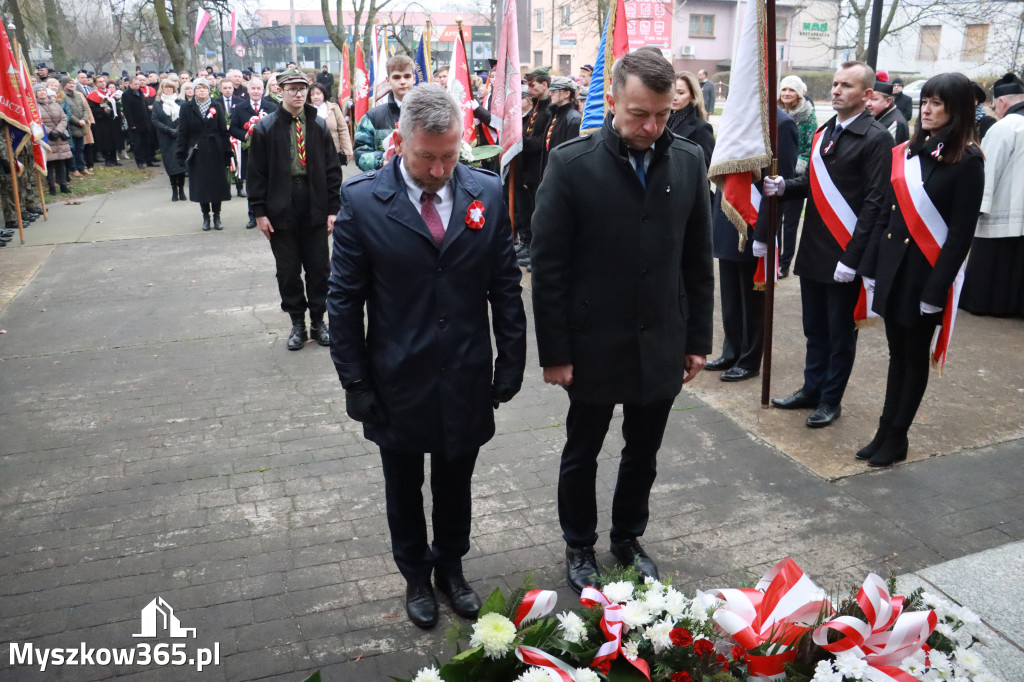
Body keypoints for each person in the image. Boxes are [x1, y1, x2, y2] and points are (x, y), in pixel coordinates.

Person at [328, 84, 526, 628]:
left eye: (449, 156)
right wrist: (355, 382)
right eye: (426, 157)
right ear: (400, 142)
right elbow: (343, 302)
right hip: (397, 376)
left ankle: (451, 567)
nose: (439, 170)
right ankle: (415, 573)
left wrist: (511, 362)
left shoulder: (484, 191)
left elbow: (505, 288)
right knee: (403, 483)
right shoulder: (364, 201)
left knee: (456, 479)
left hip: (465, 372)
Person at [531, 50, 714, 592]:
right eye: (638, 114)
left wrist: (697, 338)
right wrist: (556, 352)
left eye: (660, 115)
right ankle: (579, 544)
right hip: (592, 342)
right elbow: (549, 267)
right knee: (582, 449)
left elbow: (697, 259)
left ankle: (628, 536)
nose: (651, 127)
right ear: (612, 101)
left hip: (661, 337)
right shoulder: (571, 163)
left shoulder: (686, 160)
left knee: (644, 450)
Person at [857, 73, 985, 467]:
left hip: (925, 275)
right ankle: (883, 429)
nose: (926, 109)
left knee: (914, 358)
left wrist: (935, 291)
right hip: (895, 271)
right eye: (925, 101)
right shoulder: (911, 151)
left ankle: (897, 437)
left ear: (957, 110)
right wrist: (871, 267)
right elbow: (887, 217)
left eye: (937, 103)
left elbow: (961, 236)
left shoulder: (968, 161)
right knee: (898, 355)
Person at [763, 61, 894, 428]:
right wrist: (786, 186)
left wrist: (853, 260)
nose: (836, 90)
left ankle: (830, 400)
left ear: (867, 95)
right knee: (814, 329)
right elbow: (814, 186)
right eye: (835, 84)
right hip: (815, 249)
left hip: (845, 254)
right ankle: (811, 389)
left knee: (840, 335)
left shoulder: (877, 138)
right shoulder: (825, 131)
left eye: (846, 86)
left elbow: (875, 203)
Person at [247, 68, 342, 350]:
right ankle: (297, 324)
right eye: (292, 89)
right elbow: (256, 175)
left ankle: (318, 321)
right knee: (288, 270)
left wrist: (333, 209)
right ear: (280, 91)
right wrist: (260, 212)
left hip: (314, 203)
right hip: (281, 207)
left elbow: (332, 170)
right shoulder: (265, 129)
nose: (298, 93)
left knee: (319, 268)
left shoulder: (318, 125)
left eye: (302, 88)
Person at [707, 109, 798, 382]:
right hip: (729, 214)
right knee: (731, 295)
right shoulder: (740, 116)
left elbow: (780, 183)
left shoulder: (781, 124)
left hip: (756, 220)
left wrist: (765, 234)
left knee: (752, 297)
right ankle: (731, 350)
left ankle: (749, 359)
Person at [959, 72, 1024, 318]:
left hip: (1000, 210)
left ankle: (983, 304)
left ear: (1003, 103)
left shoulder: (1004, 127)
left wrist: (978, 206)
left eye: (995, 106)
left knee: (992, 267)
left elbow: (989, 169)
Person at [176, 77, 231, 231]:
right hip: (197, 150)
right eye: (198, 88)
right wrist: (181, 151)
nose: (202, 90)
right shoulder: (187, 108)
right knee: (202, 185)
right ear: (194, 90)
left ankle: (217, 216)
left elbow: (223, 130)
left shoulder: (217, 106)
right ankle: (205, 216)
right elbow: (183, 131)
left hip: (215, 148)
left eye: (205, 88)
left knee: (216, 184)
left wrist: (227, 151)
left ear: (209, 90)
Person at [777, 74, 816, 277]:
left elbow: (810, 145)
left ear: (799, 93)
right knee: (774, 221)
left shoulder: (808, 115)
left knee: (790, 223)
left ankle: (784, 264)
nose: (787, 93)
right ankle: (773, 259)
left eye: (791, 90)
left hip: (796, 176)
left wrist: (797, 167)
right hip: (777, 172)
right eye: (784, 89)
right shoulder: (774, 113)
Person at [515, 66, 553, 270]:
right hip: (527, 167)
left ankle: (534, 249)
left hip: (537, 167)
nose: (528, 89)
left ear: (544, 84)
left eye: (532, 85)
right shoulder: (538, 106)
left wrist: (520, 139)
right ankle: (527, 244)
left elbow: (540, 142)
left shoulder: (548, 109)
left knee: (536, 211)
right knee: (527, 209)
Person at [353, 54, 415, 171]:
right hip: (386, 182)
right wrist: (383, 162)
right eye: (396, 77)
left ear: (414, 78)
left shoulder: (428, 113)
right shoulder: (373, 117)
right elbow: (360, 153)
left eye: (407, 76)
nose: (402, 81)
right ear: (388, 80)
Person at [231, 78, 278, 229]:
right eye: (253, 89)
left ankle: (271, 214)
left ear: (263, 90)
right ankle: (253, 215)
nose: (256, 91)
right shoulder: (240, 108)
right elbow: (233, 128)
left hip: (269, 152)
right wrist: (245, 135)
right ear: (248, 90)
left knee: (271, 182)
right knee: (252, 184)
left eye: (259, 88)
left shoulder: (272, 107)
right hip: (248, 152)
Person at [667, 71, 715, 167]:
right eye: (671, 92)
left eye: (680, 93)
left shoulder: (702, 127)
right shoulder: (664, 121)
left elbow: (705, 167)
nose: (675, 97)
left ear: (692, 95)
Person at [152, 79, 187, 202]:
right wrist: (169, 130)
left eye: (171, 88)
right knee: (171, 165)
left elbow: (185, 118)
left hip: (179, 136)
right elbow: (155, 120)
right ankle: (174, 190)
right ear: (162, 89)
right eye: (166, 88)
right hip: (166, 138)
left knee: (180, 164)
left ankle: (182, 190)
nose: (168, 90)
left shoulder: (181, 102)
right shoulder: (158, 104)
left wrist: (178, 130)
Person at [35, 84, 72, 194]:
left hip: (59, 137)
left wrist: (58, 130)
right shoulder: (35, 106)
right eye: (39, 91)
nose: (42, 92)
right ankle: (52, 186)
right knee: (49, 163)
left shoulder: (55, 104)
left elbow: (63, 118)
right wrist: (50, 132)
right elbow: (37, 121)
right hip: (46, 137)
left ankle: (63, 185)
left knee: (61, 162)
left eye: (43, 90)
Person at [541, 77, 582, 169]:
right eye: (550, 91)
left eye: (554, 91)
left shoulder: (574, 118)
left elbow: (570, 153)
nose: (550, 94)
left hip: (560, 173)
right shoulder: (554, 114)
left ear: (566, 94)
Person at [308, 83, 352, 167]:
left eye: (318, 93)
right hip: (315, 154)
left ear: (323, 94)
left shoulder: (334, 108)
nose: (315, 96)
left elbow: (343, 129)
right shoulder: (307, 110)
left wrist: (347, 150)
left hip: (334, 151)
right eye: (312, 94)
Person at [122, 74, 157, 168]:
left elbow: (145, 106)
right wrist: (131, 124)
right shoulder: (126, 95)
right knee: (138, 144)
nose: (137, 86)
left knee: (147, 142)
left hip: (145, 122)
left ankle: (149, 160)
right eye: (135, 84)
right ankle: (140, 162)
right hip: (135, 124)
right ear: (129, 84)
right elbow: (127, 110)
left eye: (138, 84)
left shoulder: (140, 92)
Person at [86, 75, 120, 166]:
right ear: (96, 84)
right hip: (101, 122)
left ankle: (114, 159)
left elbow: (118, 105)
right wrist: (102, 111)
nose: (102, 83)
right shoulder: (93, 95)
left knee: (114, 139)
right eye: (100, 81)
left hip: (112, 120)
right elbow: (91, 109)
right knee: (104, 140)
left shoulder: (112, 93)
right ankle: (107, 159)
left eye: (104, 81)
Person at [867, 77, 910, 144]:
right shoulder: (878, 115)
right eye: (867, 98)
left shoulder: (895, 124)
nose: (867, 103)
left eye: (873, 99)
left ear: (888, 101)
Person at [62, 77, 89, 178]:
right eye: (69, 83)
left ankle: (81, 168)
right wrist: (78, 121)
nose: (72, 85)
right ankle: (73, 169)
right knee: (72, 149)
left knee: (80, 148)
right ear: (64, 85)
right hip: (71, 126)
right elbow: (67, 111)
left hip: (81, 125)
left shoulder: (78, 95)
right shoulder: (63, 96)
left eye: (73, 83)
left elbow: (85, 108)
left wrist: (84, 119)